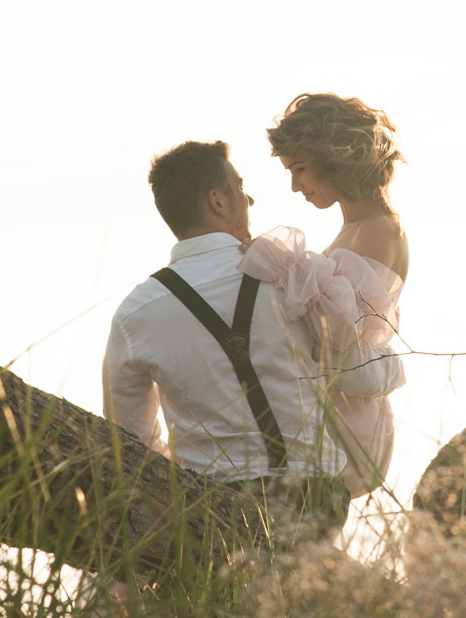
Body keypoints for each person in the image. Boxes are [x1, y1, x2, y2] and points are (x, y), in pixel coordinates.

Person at [101, 139, 403, 544]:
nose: (250, 199)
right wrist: (394, 364)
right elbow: (356, 375)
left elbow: (129, 441)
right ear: (218, 202)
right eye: (241, 188)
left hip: (207, 505)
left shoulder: (134, 315)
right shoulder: (289, 276)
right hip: (312, 494)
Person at [244, 93, 408, 498]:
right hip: (335, 405)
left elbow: (336, 335)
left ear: (333, 158)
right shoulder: (354, 227)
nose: (295, 186)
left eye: (299, 169)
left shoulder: (379, 228)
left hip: (347, 418)